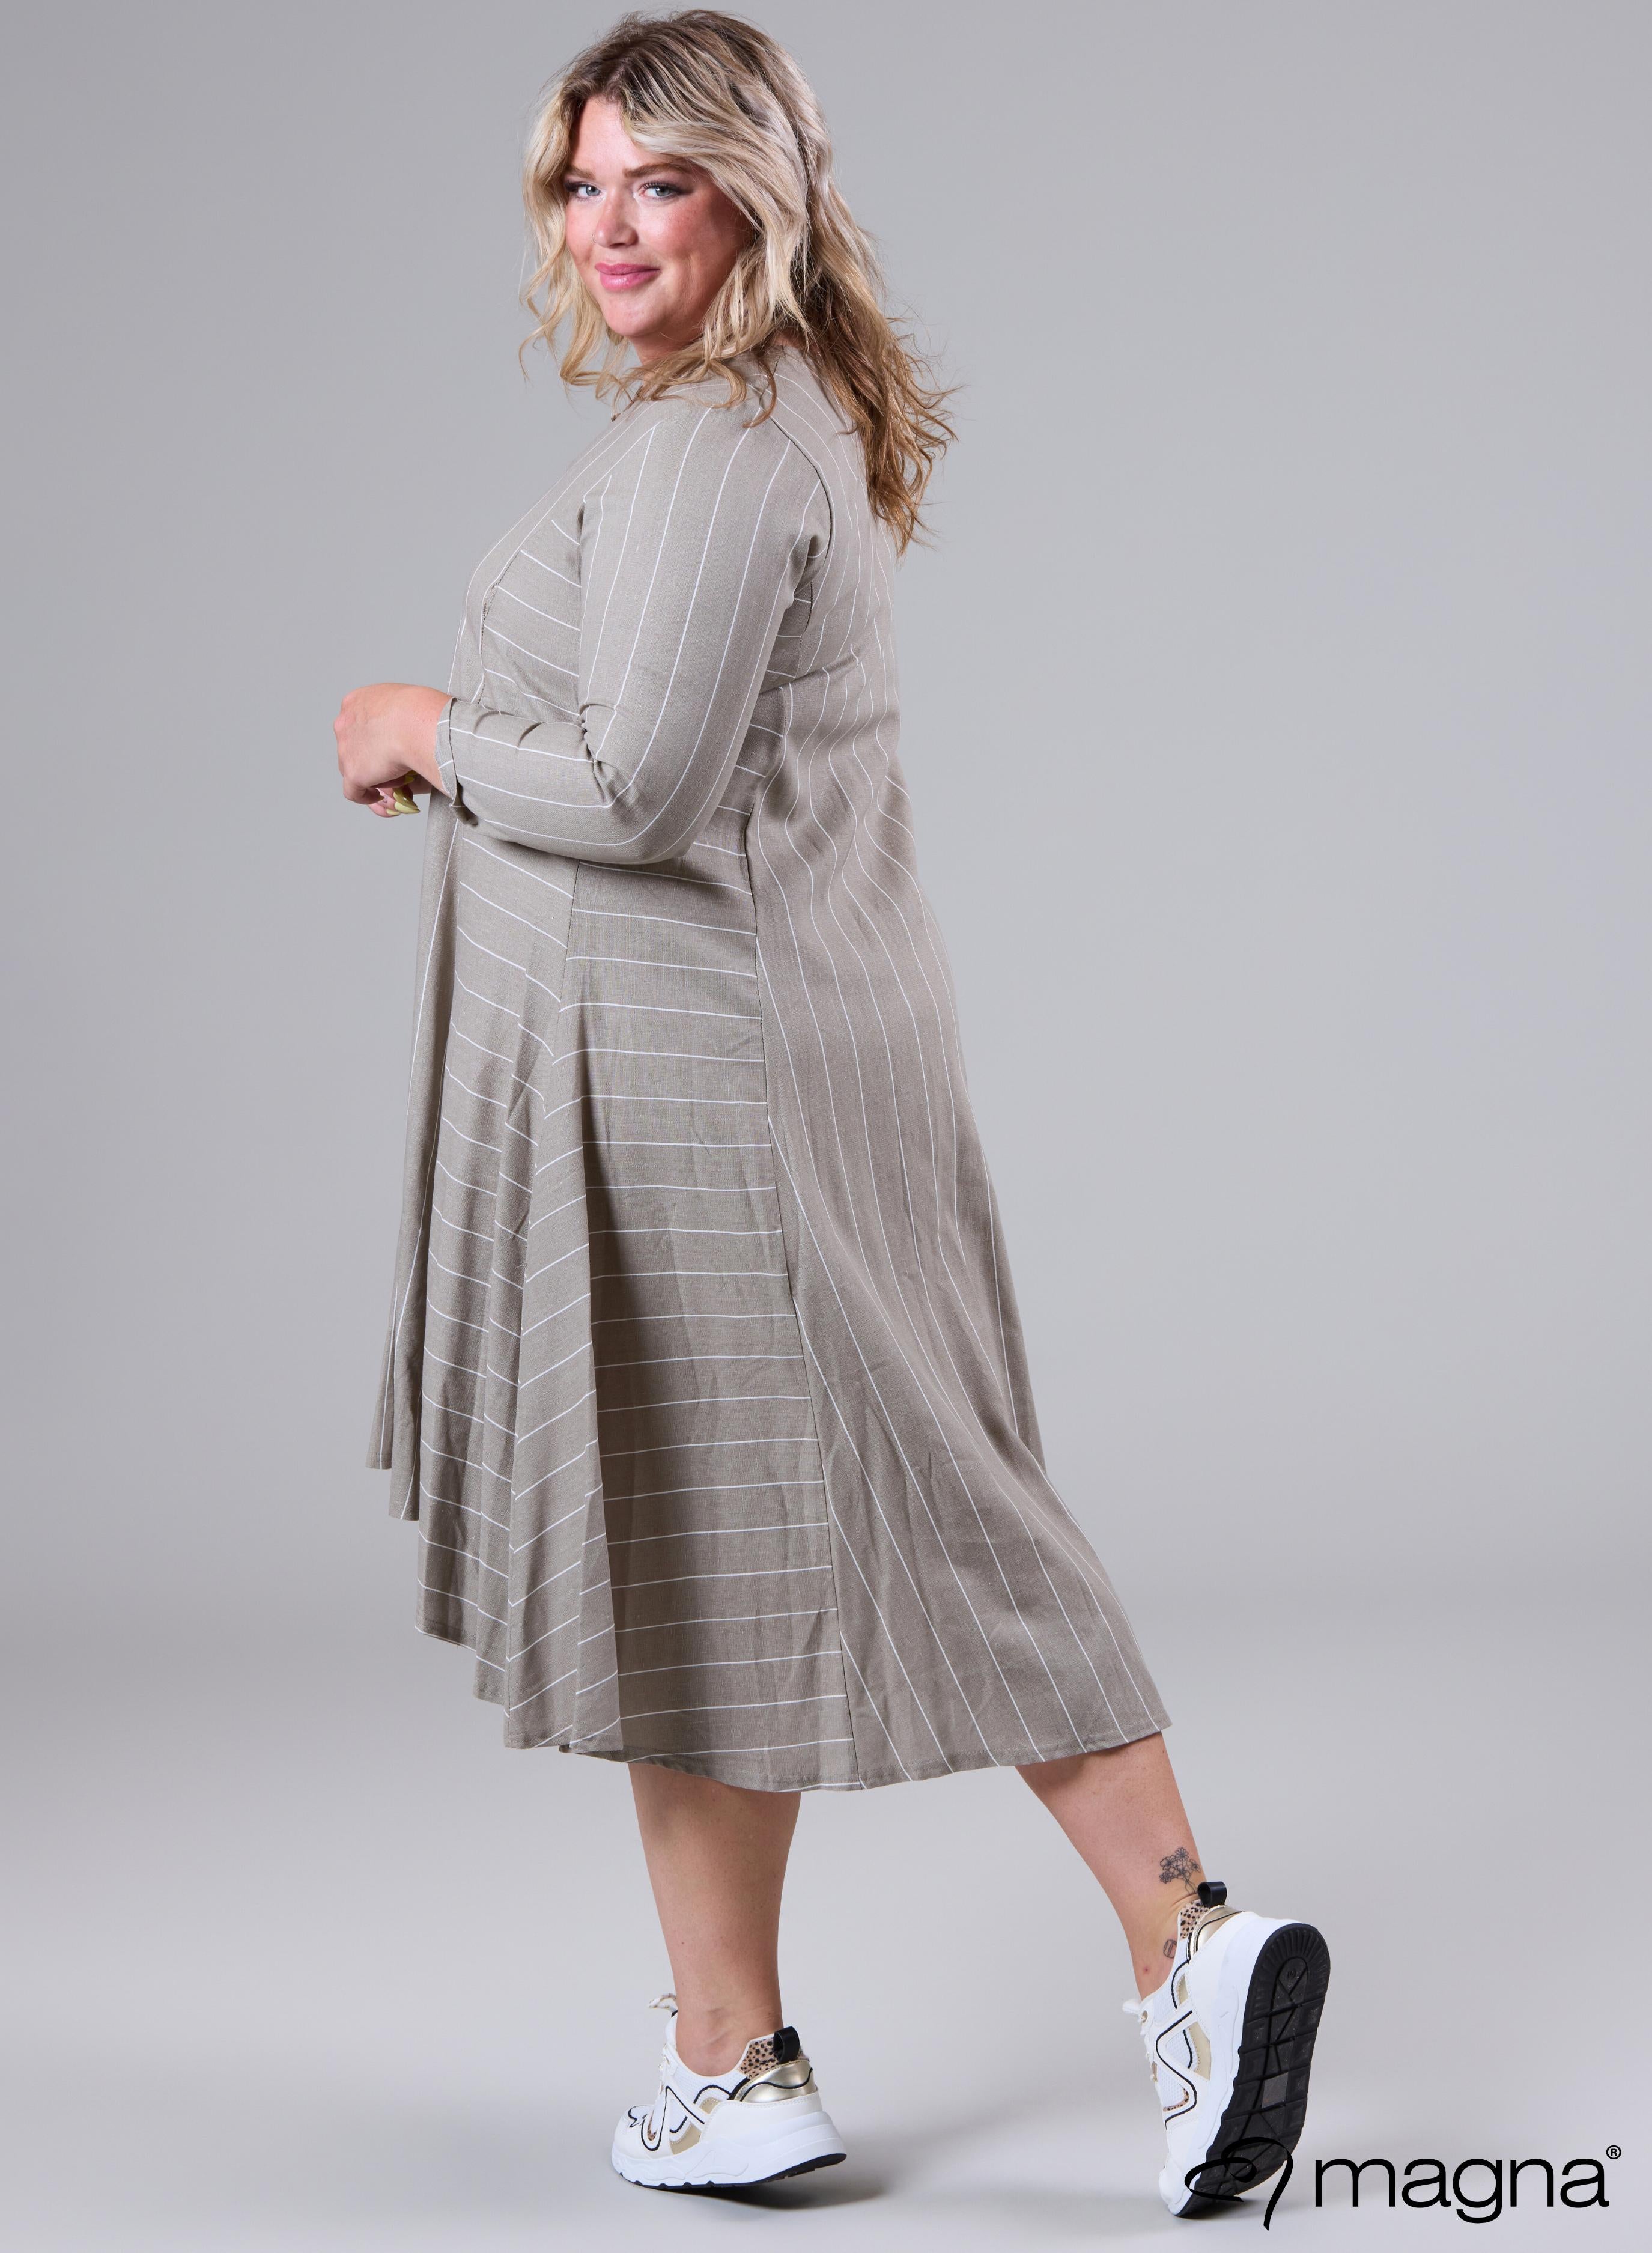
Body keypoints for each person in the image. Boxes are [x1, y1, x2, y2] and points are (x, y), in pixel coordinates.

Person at [336, 8, 1328, 2218]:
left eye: (659, 183)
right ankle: (734, 2061)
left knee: (917, 1499)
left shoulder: (719, 447)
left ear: (756, 201)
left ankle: (1187, 1941)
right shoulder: (768, 417)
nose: (607, 228)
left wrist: (417, 719)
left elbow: (637, 788)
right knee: (712, 1547)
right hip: (761, 1047)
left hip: (710, 1082)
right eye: (582, 184)